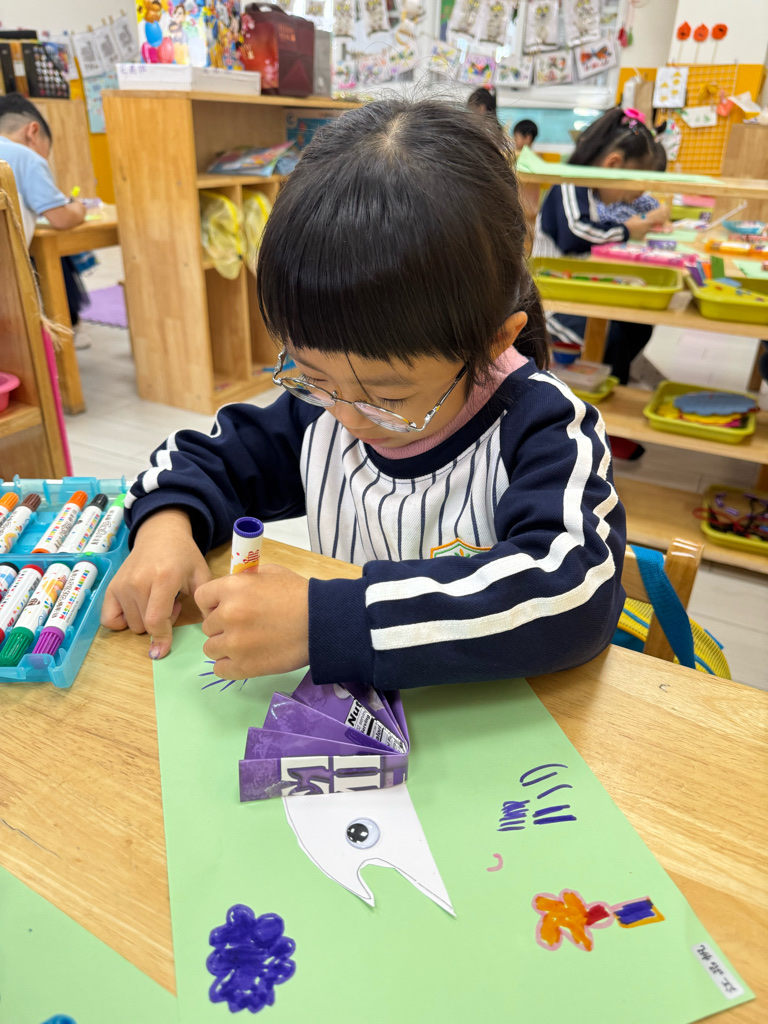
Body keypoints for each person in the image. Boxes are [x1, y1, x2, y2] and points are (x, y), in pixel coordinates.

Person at [102, 100, 626, 691]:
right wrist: (166, 527)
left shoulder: (545, 427)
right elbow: (202, 460)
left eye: (388, 396)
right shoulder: (323, 409)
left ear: (491, 342)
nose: (347, 417)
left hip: (489, 717)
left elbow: (576, 593)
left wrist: (325, 622)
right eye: (312, 375)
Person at [532, 106, 669, 386]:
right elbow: (574, 235)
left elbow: (593, 235)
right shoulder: (570, 182)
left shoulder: (589, 193)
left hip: (576, 292)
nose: (631, 198)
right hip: (551, 306)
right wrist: (627, 230)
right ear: (613, 165)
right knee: (613, 336)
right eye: (632, 187)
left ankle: (612, 380)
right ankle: (603, 385)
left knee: (638, 323)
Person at [0, 94, 88, 328]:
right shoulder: (26, 158)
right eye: (46, 152)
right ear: (33, 132)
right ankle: (68, 325)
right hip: (10, 280)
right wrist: (78, 208)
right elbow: (60, 219)